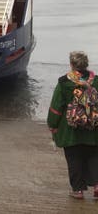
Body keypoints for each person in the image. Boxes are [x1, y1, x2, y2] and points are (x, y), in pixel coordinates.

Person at [47, 51, 98, 199]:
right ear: (86, 64)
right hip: (93, 129)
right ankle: (96, 185)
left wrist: (52, 125)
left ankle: (78, 190)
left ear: (71, 64)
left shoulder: (64, 82)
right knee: (94, 156)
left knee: (74, 158)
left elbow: (56, 107)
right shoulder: (96, 81)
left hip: (70, 130)